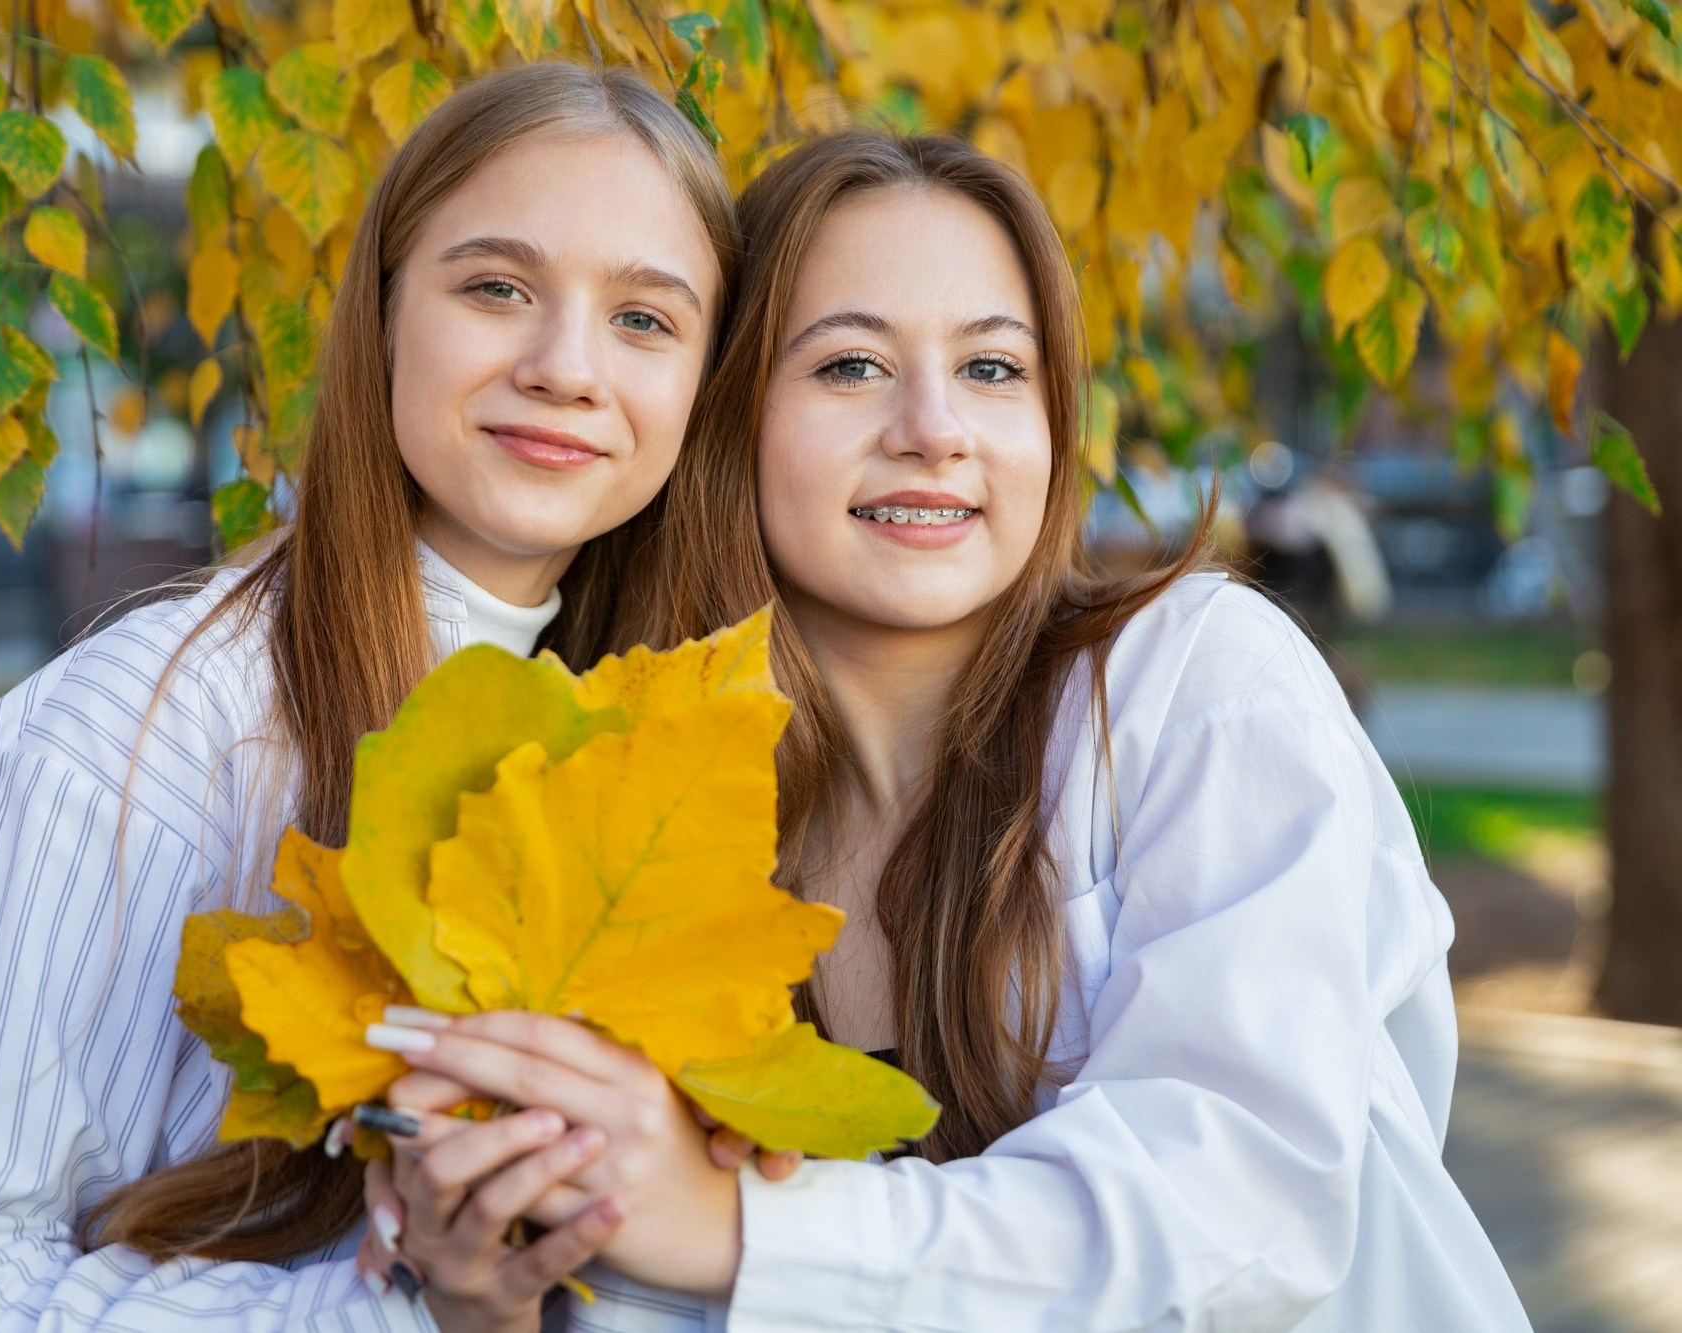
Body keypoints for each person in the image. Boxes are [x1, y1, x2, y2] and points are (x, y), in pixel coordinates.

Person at [360, 132, 1534, 1330]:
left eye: (989, 369)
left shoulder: (1195, 685)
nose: (932, 428)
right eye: (851, 366)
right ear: (728, 415)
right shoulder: (636, 813)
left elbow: (1241, 1208)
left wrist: (733, 1230)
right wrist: (489, 1301)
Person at [0, 61, 740, 1332]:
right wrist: (400, 1315)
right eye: (496, 287)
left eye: (644, 320)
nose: (564, 364)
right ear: (382, 315)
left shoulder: (654, 756)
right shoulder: (124, 751)